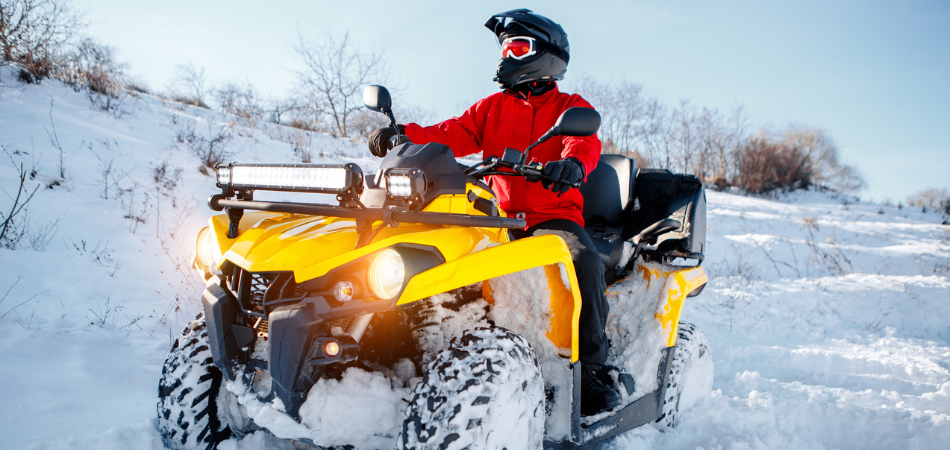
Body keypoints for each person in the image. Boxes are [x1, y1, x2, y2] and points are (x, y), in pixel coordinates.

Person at [367, 8, 621, 416]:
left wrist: (572, 166)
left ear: (546, 56)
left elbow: (583, 143)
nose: (507, 55)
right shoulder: (492, 107)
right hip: (495, 216)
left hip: (550, 218)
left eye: (518, 46)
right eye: (505, 47)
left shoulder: (570, 107)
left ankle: (591, 370)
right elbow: (449, 134)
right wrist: (404, 135)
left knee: (583, 262)